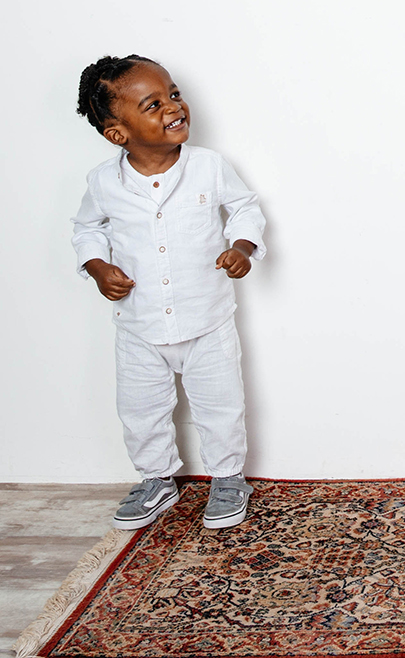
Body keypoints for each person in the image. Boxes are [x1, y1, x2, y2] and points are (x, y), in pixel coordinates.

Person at [72, 54, 266, 531]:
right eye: (153, 104)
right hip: (139, 325)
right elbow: (86, 229)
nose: (173, 108)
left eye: (174, 94)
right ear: (118, 133)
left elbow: (244, 208)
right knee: (140, 409)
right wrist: (97, 266)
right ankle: (155, 479)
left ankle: (227, 478)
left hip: (207, 319)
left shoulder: (208, 167)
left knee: (220, 403)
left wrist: (241, 245)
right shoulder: (103, 182)